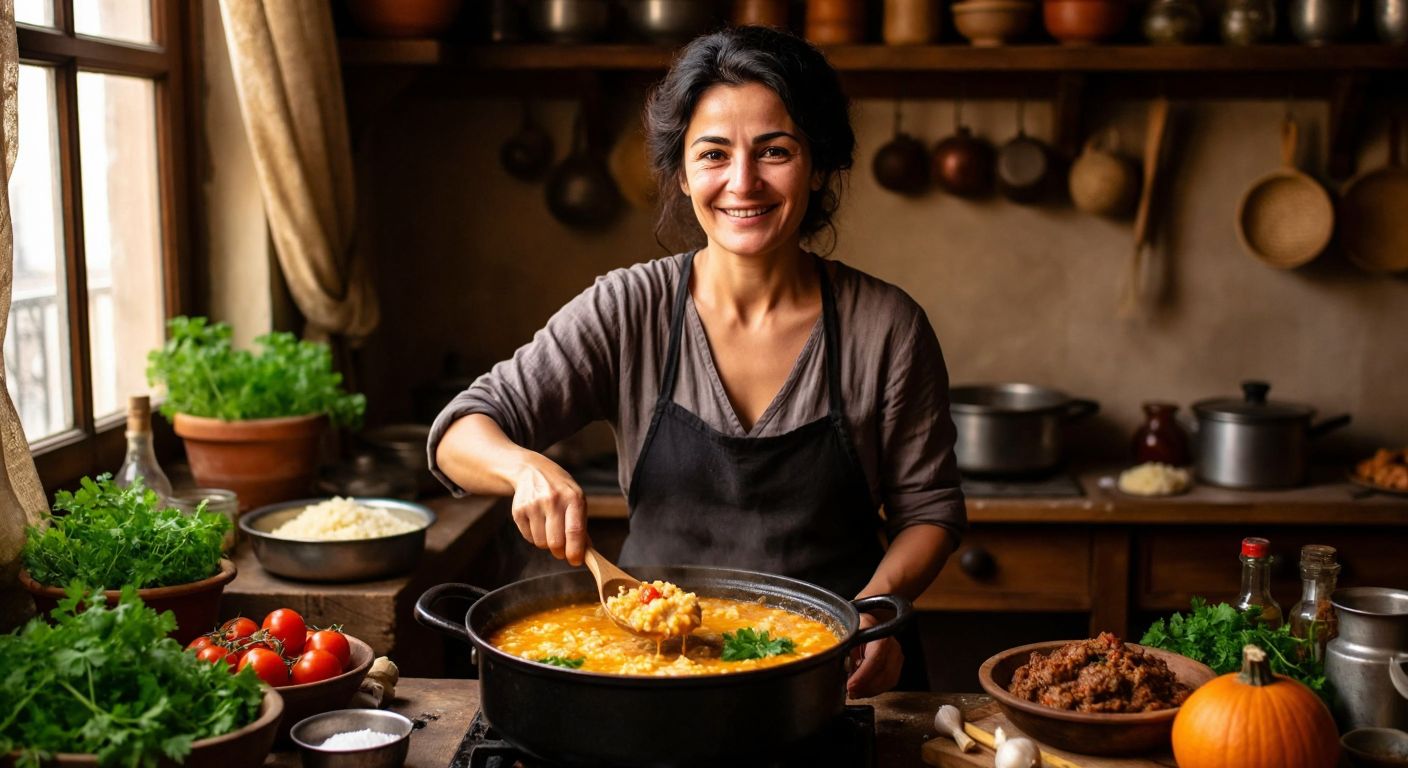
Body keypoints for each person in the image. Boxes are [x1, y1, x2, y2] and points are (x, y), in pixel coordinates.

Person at [429, 25, 966, 698]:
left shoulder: (885, 327)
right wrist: (522, 466)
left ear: (819, 163)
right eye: (713, 154)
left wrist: (876, 614)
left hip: (834, 671)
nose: (743, 182)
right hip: (648, 674)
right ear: (681, 173)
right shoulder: (628, 310)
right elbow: (458, 431)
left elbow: (931, 512)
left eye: (775, 151)